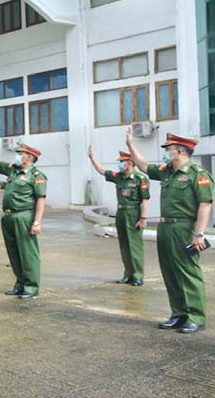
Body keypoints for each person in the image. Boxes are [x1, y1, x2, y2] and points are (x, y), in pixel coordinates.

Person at [126, 130, 213, 334]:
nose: (166, 153)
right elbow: (144, 165)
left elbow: (205, 204)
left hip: (184, 228)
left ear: (180, 150)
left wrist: (199, 234)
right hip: (165, 227)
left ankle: (195, 317)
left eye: (168, 149)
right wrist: (131, 145)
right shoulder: (167, 172)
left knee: (188, 272)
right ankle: (178, 314)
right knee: (170, 271)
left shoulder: (197, 174)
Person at [0, 129, 47, 299]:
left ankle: (31, 287)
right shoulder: (14, 170)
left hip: (24, 217)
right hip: (8, 217)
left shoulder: (36, 176)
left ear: (30, 157)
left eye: (21, 154)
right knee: (13, 253)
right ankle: (20, 284)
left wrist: (37, 222)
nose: (18, 156)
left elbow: (40, 199)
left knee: (27, 253)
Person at [88, 147, 150, 286]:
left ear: (130, 162)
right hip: (121, 212)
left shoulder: (140, 179)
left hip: (133, 213)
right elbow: (102, 171)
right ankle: (128, 274)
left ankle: (138, 275)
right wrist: (92, 158)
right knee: (124, 245)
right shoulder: (119, 177)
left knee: (134, 245)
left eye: (122, 161)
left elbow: (145, 200)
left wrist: (143, 218)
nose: (120, 164)